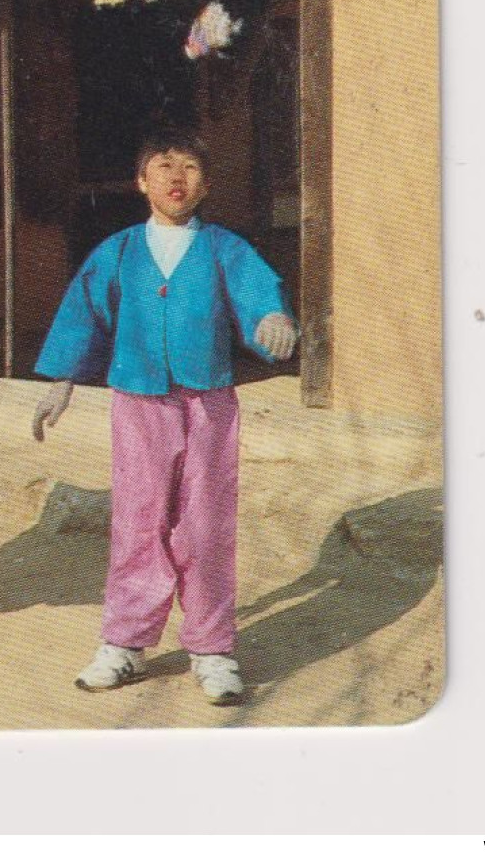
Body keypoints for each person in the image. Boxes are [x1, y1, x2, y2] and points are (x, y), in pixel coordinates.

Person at [30, 130, 298, 704]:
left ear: (207, 183)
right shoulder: (120, 250)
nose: (177, 175)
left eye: (191, 166)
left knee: (206, 522)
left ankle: (212, 648)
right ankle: (125, 643)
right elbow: (85, 313)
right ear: (141, 181)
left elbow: (259, 296)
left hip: (209, 403)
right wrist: (61, 380)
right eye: (163, 164)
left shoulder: (225, 248)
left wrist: (272, 319)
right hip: (139, 402)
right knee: (138, 519)